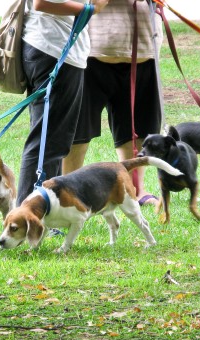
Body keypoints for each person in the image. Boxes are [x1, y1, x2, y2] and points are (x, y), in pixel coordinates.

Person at [62, 0, 163, 206]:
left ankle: (134, 189)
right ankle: (68, 190)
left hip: (143, 49)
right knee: (78, 129)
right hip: (93, 51)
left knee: (138, 128)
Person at [16, 0, 109, 205]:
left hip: (53, 50)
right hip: (54, 52)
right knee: (47, 142)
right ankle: (29, 213)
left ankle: (43, 211)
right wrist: (90, 9)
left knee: (53, 142)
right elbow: (42, 3)